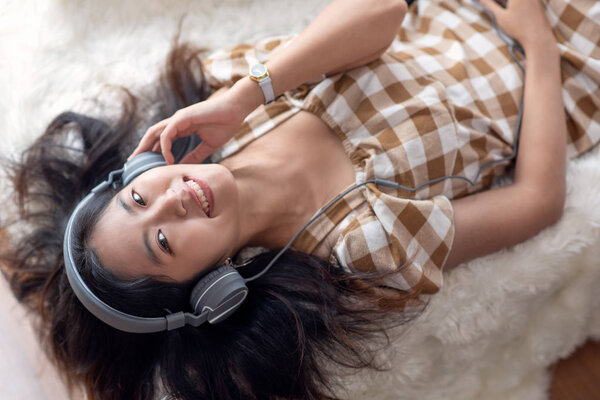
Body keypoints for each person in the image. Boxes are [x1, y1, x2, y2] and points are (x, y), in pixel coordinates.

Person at [1, 0, 598, 399]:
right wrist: (539, 45)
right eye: (161, 242)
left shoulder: (232, 104)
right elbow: (537, 201)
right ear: (213, 291)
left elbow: (386, 12)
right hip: (574, 64)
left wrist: (245, 96)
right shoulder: (362, 245)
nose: (169, 204)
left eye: (137, 199)